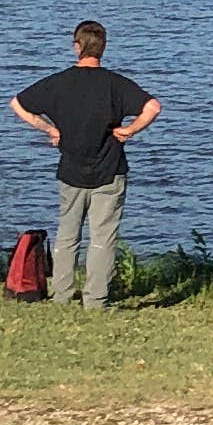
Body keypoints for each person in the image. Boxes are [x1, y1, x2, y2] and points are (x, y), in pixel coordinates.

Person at [12, 21, 160, 312]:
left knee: (67, 235)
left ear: (76, 47)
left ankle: (62, 295)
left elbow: (18, 103)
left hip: (71, 170)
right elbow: (153, 107)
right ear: (102, 48)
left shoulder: (59, 82)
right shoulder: (115, 84)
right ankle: (95, 300)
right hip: (109, 170)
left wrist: (49, 129)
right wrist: (130, 130)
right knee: (102, 238)